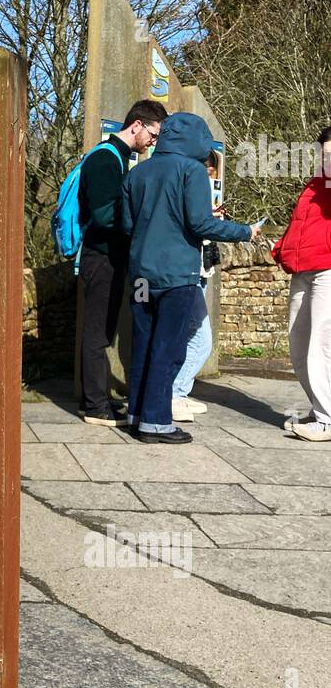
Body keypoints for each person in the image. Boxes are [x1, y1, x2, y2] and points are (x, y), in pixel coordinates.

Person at [122, 113, 259, 443]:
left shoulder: (138, 172)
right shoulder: (192, 171)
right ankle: (156, 423)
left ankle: (136, 413)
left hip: (141, 274)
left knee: (142, 342)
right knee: (167, 347)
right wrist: (245, 232)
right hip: (176, 276)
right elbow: (200, 225)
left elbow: (127, 225)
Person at [78, 100, 168, 426]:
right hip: (101, 257)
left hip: (109, 257)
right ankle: (95, 407)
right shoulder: (105, 159)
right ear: (137, 125)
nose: (153, 143)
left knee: (102, 332)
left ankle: (98, 400)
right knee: (97, 335)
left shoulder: (117, 158)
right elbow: (103, 215)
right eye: (154, 135)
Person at [272, 126, 331, 441]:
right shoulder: (313, 184)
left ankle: (327, 419)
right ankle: (320, 406)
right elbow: (302, 225)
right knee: (298, 342)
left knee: (321, 344)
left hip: (327, 269)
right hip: (302, 269)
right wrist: (281, 248)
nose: (324, 155)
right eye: (322, 150)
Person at [171, 151, 222, 422]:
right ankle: (174, 393)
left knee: (188, 336)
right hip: (188, 274)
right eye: (207, 171)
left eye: (212, 172)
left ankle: (177, 393)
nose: (209, 177)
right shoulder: (188, 191)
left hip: (197, 273)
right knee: (201, 341)